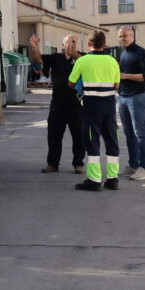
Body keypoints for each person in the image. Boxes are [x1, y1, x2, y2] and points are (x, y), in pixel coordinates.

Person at [67, 30, 121, 191]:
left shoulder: (82, 61)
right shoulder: (113, 61)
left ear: (89, 44)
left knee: (92, 142)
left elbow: (70, 83)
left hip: (91, 108)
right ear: (104, 44)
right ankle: (112, 179)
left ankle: (94, 180)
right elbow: (117, 85)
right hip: (109, 107)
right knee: (112, 141)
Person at [28, 33, 85, 174]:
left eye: (74, 42)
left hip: (77, 104)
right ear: (63, 45)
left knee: (78, 136)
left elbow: (85, 61)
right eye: (69, 42)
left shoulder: (82, 58)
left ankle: (78, 164)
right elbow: (37, 58)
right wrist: (34, 47)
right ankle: (52, 163)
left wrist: (74, 54)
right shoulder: (56, 58)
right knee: (53, 135)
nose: (72, 44)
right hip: (58, 104)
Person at [116, 26, 145, 181]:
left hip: (136, 97)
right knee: (129, 134)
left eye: (124, 35)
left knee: (140, 133)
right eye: (119, 36)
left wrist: (125, 76)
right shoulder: (124, 53)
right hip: (123, 97)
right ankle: (133, 166)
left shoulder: (140, 52)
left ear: (132, 36)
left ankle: (144, 169)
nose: (122, 38)